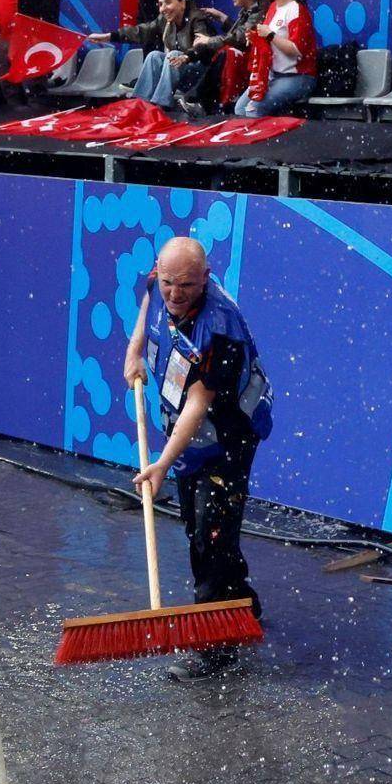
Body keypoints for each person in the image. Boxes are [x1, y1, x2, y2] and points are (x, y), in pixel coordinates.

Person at [122, 236, 274, 681]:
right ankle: (242, 604)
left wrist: (161, 465)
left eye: (186, 286)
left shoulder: (220, 330)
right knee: (200, 523)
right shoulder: (160, 283)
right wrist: (134, 351)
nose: (174, 293)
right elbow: (147, 312)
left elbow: (197, 404)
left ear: (205, 279)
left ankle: (214, 648)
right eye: (169, 282)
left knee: (210, 535)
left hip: (226, 436)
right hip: (190, 434)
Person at [87, 0, 224, 111]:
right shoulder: (164, 20)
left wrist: (186, 56)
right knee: (154, 56)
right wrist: (110, 36)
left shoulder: (197, 19)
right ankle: (141, 104)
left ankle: (161, 106)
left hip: (201, 75)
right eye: (160, 4)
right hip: (178, 70)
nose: (163, 8)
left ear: (182, 3)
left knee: (173, 55)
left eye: (168, 2)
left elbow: (202, 47)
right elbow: (142, 31)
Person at [236, 0, 315, 116]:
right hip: (273, 75)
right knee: (240, 109)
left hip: (298, 77)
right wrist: (255, 38)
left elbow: (296, 50)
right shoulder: (273, 7)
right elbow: (268, 41)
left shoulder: (296, 10)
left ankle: (260, 139)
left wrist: (270, 35)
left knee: (253, 109)